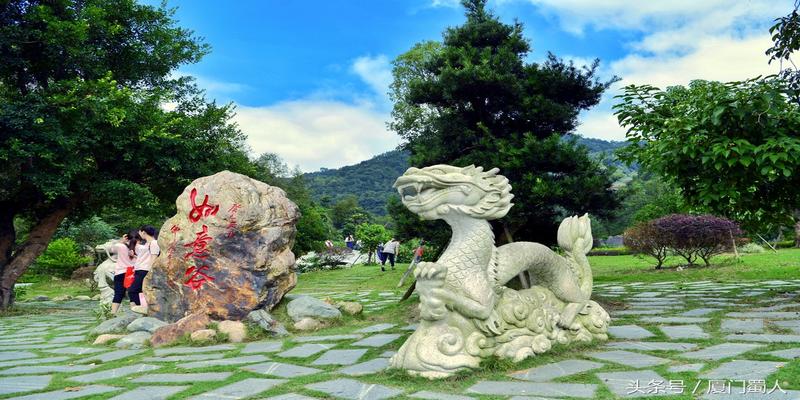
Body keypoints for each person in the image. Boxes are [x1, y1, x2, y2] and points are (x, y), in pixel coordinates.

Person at [130, 225, 160, 314]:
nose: (140, 235)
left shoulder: (154, 243)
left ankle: (143, 309)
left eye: (140, 233)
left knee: (133, 290)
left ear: (144, 232)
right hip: (140, 269)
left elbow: (154, 258)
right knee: (138, 291)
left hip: (145, 270)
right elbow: (145, 257)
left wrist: (149, 273)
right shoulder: (147, 243)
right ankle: (143, 309)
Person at [111, 231, 136, 315]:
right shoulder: (138, 247)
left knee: (118, 293)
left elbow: (112, 249)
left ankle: (113, 313)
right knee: (132, 293)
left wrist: (122, 240)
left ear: (126, 237)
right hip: (131, 272)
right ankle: (134, 313)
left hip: (120, 272)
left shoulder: (120, 246)